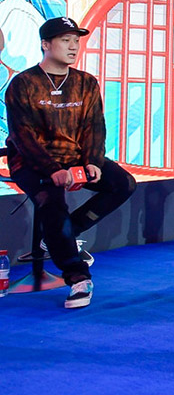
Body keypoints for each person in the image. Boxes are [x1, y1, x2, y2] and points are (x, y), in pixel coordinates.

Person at [5, 17, 137, 309]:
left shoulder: (86, 82)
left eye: (76, 40)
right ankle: (78, 277)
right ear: (45, 44)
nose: (73, 46)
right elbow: (23, 136)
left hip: (75, 156)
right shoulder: (23, 84)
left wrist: (92, 161)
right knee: (52, 203)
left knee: (123, 184)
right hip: (31, 160)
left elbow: (94, 127)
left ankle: (68, 232)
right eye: (65, 40)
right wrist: (53, 170)